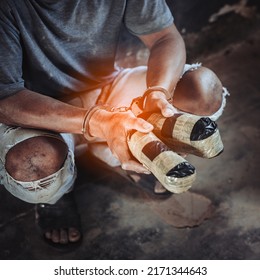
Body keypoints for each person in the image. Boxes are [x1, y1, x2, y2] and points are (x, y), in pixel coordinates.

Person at [0, 0, 228, 247]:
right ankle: (56, 195)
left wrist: (157, 93)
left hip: (107, 90)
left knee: (202, 90)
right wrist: (96, 121)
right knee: (32, 163)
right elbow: (6, 100)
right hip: (43, 111)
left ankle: (116, 150)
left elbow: (165, 38)